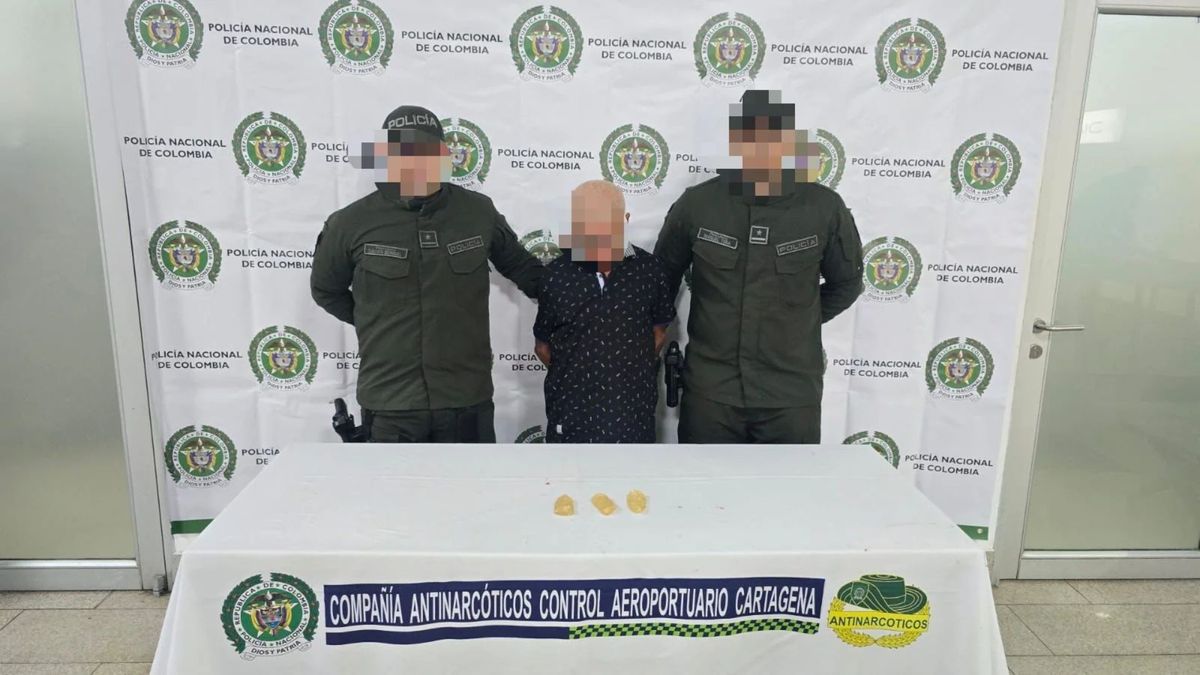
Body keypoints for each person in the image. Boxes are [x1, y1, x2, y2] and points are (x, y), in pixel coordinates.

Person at [310, 105, 544, 442]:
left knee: (472, 495)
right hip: (391, 404)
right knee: (393, 496)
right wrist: (374, 319)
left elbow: (525, 269)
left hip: (467, 401)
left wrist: (586, 296)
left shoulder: (478, 212)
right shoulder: (349, 223)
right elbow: (325, 290)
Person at [653, 90, 863, 444]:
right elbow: (659, 284)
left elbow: (847, 284)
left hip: (790, 396)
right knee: (702, 496)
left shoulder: (824, 209)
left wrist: (798, 320)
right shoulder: (699, 205)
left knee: (786, 497)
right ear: (737, 141)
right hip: (711, 394)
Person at [533, 180, 675, 443]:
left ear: (626, 219)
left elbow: (658, 334)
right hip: (571, 419)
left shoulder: (650, 270)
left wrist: (623, 369)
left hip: (633, 418)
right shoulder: (556, 275)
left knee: (635, 484)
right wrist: (581, 374)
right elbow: (543, 348)